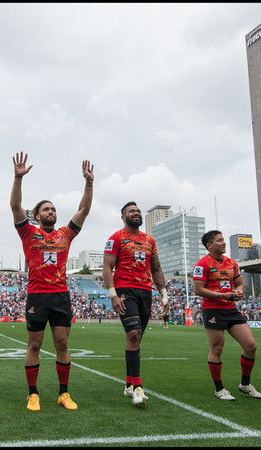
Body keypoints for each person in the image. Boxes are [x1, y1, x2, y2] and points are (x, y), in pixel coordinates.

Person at [10, 152, 93, 411]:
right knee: (34, 345)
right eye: (46, 209)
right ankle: (32, 394)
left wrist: (89, 183)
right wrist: (18, 179)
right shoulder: (28, 232)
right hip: (37, 295)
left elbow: (84, 210)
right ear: (36, 215)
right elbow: (14, 207)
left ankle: (63, 394)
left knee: (63, 344)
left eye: (54, 209)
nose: (51, 212)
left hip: (60, 295)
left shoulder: (65, 234)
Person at [103, 201, 168, 408]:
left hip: (145, 292)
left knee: (137, 337)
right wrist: (113, 295)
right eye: (132, 211)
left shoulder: (149, 239)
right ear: (123, 217)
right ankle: (138, 388)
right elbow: (107, 267)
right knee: (133, 334)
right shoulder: (116, 238)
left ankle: (129, 384)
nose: (137, 213)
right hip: (125, 290)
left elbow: (156, 269)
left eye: (138, 211)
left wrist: (164, 294)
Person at [192, 231, 261, 401]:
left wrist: (238, 291)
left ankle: (245, 385)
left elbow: (238, 282)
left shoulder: (232, 263)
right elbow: (198, 289)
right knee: (217, 348)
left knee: (251, 345)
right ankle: (219, 389)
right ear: (209, 245)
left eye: (223, 240)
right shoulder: (202, 264)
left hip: (231, 309)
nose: (223, 243)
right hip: (213, 309)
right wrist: (221, 295)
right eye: (219, 240)